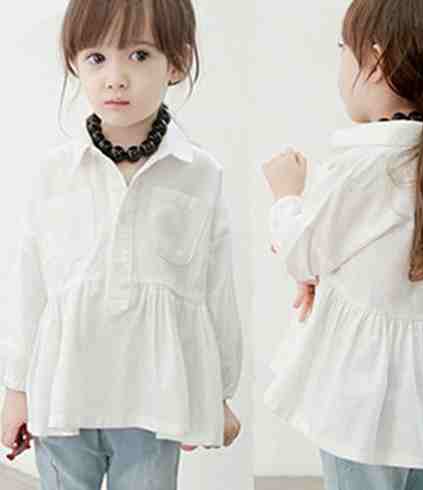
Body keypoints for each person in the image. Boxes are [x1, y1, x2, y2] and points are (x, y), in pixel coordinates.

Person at [1, 0, 243, 488]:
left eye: (139, 55)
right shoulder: (55, 173)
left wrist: (216, 394)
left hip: (154, 401)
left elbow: (216, 289)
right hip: (64, 395)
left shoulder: (199, 174)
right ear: (74, 63)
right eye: (97, 58)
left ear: (177, 62)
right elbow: (30, 288)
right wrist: (17, 389)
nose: (115, 78)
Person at [262, 0, 423, 489]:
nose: (339, 63)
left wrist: (287, 195)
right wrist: (324, 275)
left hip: (359, 392)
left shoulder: (364, 165)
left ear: (377, 61)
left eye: (343, 49)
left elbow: (304, 251)